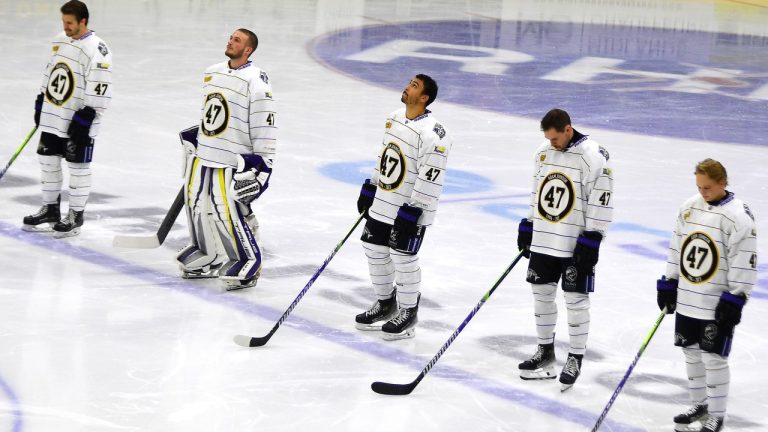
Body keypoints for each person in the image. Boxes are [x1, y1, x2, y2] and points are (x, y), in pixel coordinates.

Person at [516, 108, 613, 391]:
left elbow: (602, 200)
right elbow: (538, 191)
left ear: (568, 129)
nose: (552, 143)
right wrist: (529, 225)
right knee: (542, 296)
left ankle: (575, 357)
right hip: (545, 238)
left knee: (575, 300)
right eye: (548, 138)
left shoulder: (594, 156)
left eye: (556, 138)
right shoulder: (543, 152)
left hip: (574, 243)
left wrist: (593, 237)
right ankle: (545, 352)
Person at [657, 159, 757, 432]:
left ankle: (717, 414)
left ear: (723, 183)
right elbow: (677, 247)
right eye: (699, 187)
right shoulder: (689, 208)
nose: (703, 192)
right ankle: (699, 404)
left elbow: (744, 260)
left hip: (715, 302)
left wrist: (736, 298)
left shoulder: (738, 216)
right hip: (689, 296)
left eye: (708, 187)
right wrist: (669, 282)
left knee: (713, 358)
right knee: (690, 352)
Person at [175, 28, 277, 290]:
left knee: (226, 212)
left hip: (230, 160)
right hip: (204, 154)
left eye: (237, 40)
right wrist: (199, 136)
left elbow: (264, 126)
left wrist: (263, 165)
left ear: (248, 50)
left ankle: (248, 259)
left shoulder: (257, 82)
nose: (231, 41)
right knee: (195, 203)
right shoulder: (213, 72)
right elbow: (210, 110)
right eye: (231, 38)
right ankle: (207, 253)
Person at [354, 74, 451, 341]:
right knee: (373, 249)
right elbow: (385, 154)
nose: (407, 87)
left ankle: (408, 312)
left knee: (403, 257)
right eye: (409, 82)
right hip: (385, 199)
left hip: (409, 208)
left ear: (424, 98)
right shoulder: (395, 117)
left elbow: (431, 177)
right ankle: (386, 303)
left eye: (414, 86)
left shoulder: (435, 135)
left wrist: (414, 210)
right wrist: (371, 186)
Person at [23, 0, 112, 238]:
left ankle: (75, 216)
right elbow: (50, 69)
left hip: (77, 121)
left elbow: (101, 87)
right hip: (54, 114)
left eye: (70, 23)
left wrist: (86, 118)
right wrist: (41, 99)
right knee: (48, 162)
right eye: (63, 22)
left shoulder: (97, 48)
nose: (66, 27)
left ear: (83, 21)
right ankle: (51, 210)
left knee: (78, 169)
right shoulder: (60, 40)